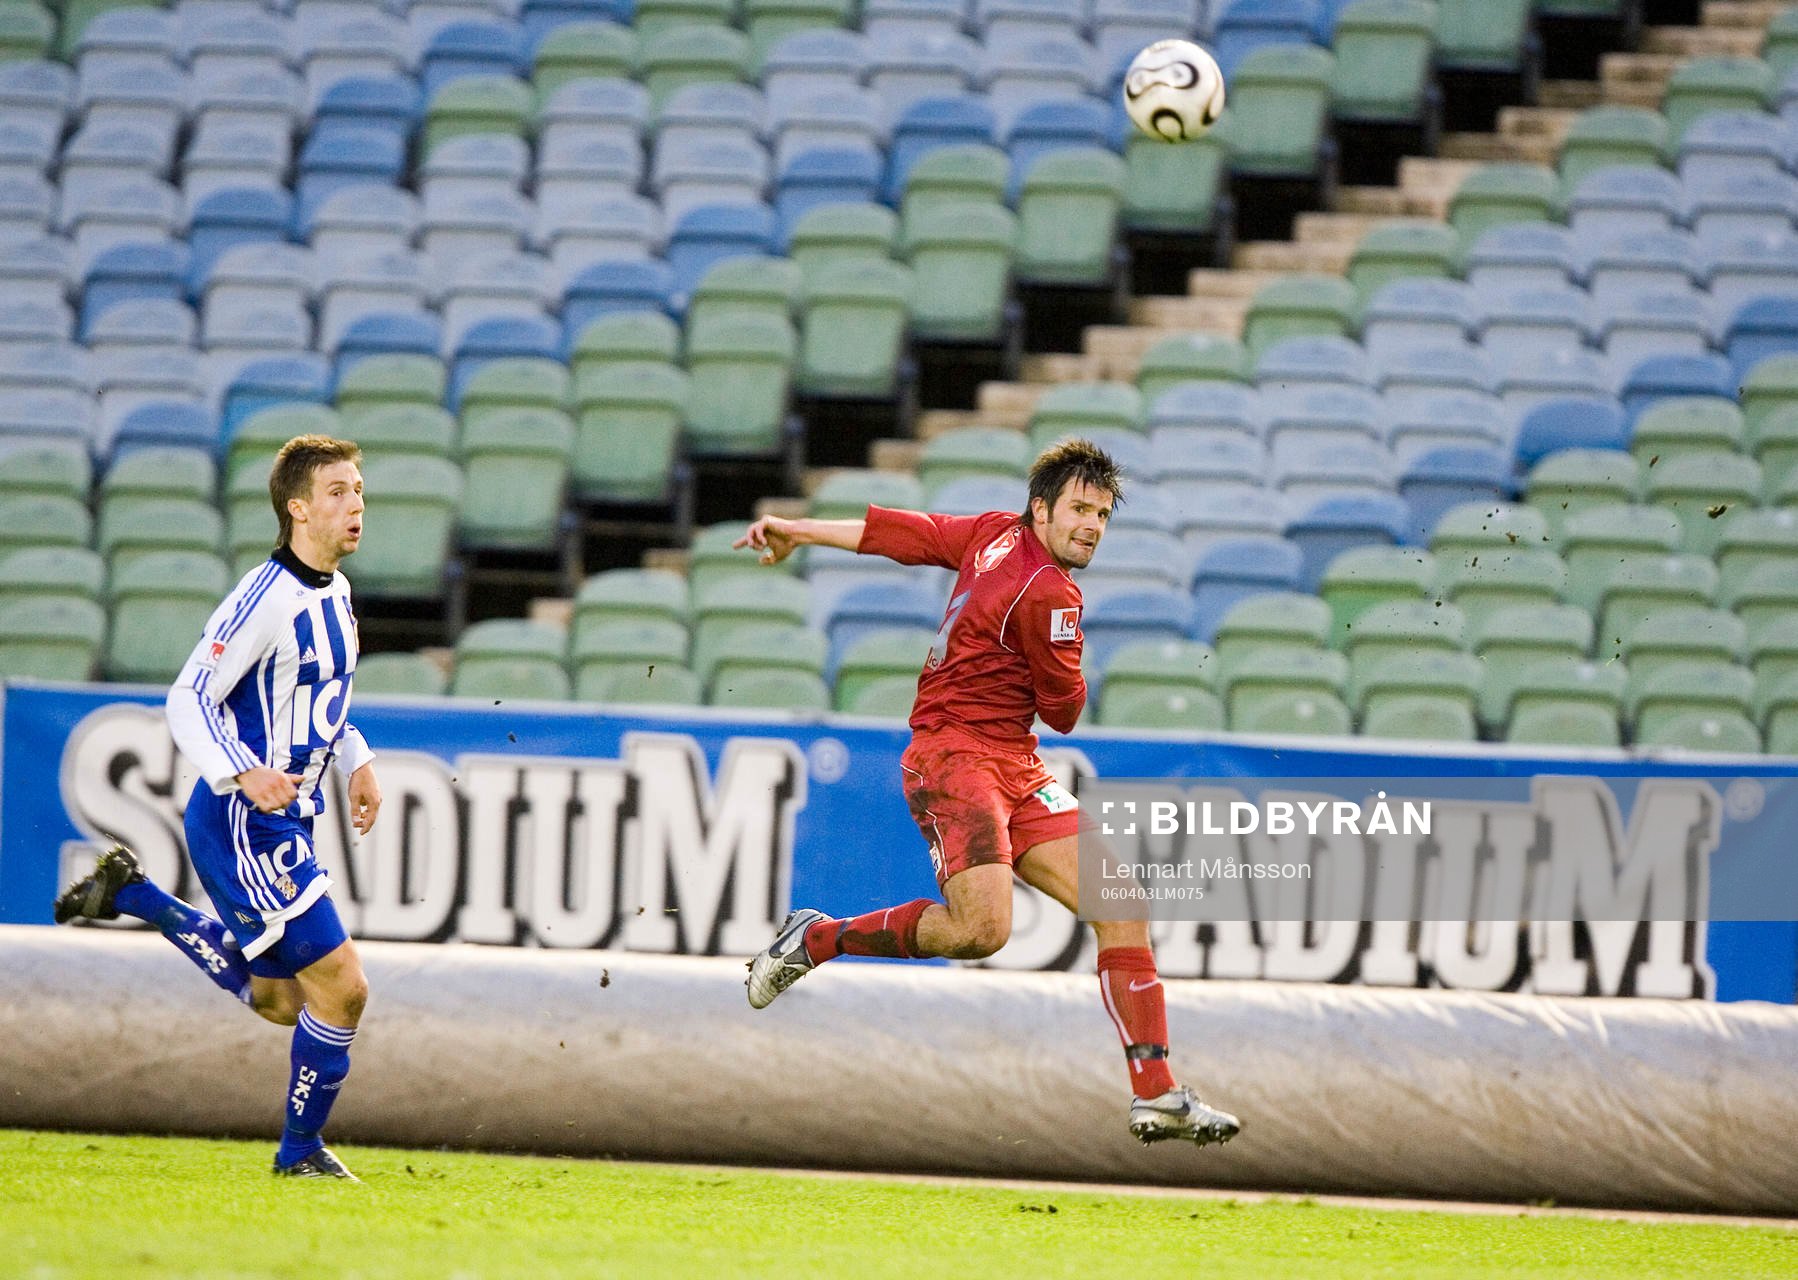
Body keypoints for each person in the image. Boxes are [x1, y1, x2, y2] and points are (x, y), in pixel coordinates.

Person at [738, 439, 1239, 1147]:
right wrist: (1066, 654)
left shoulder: (992, 535)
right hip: (953, 759)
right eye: (1079, 509)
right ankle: (817, 938)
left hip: (1014, 763)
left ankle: (1156, 1095)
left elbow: (902, 536)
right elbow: (1065, 712)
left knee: (1122, 905)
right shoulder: (1052, 593)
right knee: (982, 931)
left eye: (1101, 514)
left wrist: (799, 529)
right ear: (1041, 509)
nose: (1092, 525)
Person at [55, 434, 382, 1180]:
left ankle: (136, 894)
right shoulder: (264, 598)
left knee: (278, 1001)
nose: (356, 504)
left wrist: (357, 759)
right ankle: (299, 1157)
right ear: (297, 508)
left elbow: (312, 700)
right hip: (245, 822)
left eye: (359, 490)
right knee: (345, 986)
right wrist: (240, 770)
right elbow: (187, 696)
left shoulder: (335, 592)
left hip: (279, 817)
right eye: (337, 491)